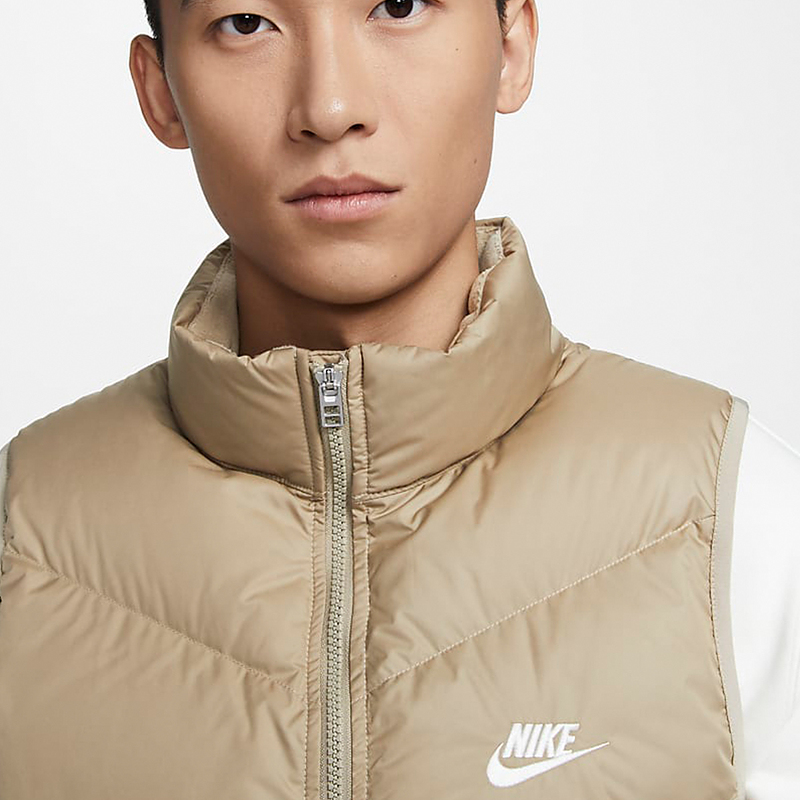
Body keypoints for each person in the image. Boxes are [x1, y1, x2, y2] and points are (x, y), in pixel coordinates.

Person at [0, 0, 796, 797]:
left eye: (401, 5)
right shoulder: (22, 533)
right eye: (246, 23)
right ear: (161, 91)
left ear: (512, 46)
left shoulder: (733, 519)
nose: (330, 108)